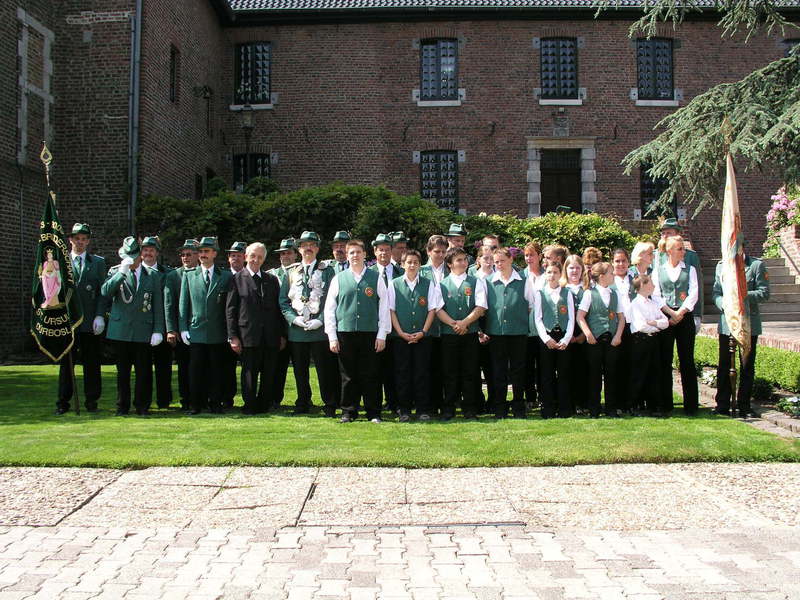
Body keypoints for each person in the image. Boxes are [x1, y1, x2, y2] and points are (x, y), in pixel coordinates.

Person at [324, 239, 391, 423]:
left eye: (358, 252)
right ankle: (348, 411)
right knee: (348, 375)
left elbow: (384, 308)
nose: (355, 255)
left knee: (371, 374)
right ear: (347, 255)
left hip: (370, 333)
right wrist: (332, 336)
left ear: (365, 255)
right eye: (351, 252)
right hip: (345, 332)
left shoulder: (376, 278)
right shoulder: (338, 279)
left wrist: (382, 335)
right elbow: (329, 309)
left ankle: (373, 412)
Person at [101, 236, 164, 416]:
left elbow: (158, 306)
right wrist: (121, 273)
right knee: (123, 372)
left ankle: (142, 406)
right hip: (121, 331)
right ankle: (122, 406)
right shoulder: (116, 271)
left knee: (144, 372)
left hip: (143, 329)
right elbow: (105, 292)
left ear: (139, 256)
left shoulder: (152, 275)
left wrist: (158, 330)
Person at [279, 231, 341, 416]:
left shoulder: (328, 271)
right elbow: (283, 301)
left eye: (312, 245)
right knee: (300, 370)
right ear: (299, 249)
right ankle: (303, 402)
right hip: (297, 332)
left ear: (317, 249)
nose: (308, 248)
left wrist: (320, 320)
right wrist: (293, 319)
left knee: (325, 370)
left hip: (319, 331)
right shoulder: (291, 272)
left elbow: (332, 299)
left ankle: (329, 404)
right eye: (304, 245)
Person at [227, 242, 286, 415]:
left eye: (260, 257)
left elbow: (278, 309)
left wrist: (282, 334)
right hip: (247, 335)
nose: (256, 259)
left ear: (264, 259)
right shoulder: (236, 279)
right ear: (246, 256)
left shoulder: (271, 280)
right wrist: (233, 336)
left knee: (269, 373)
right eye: (253, 255)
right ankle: (250, 406)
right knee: (249, 373)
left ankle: (264, 405)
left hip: (270, 335)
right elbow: (230, 310)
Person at [57, 223, 108, 414]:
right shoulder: (61, 263)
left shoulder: (98, 263)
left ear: (88, 241)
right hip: (68, 322)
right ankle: (63, 402)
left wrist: (100, 315)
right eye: (77, 238)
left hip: (89, 321)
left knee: (92, 363)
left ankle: (92, 401)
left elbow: (103, 292)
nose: (80, 242)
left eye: (84, 239)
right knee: (67, 364)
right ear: (70, 240)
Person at [712, 248, 770, 418]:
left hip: (749, 321)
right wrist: (723, 303)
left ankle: (744, 405)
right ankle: (722, 404)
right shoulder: (721, 266)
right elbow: (716, 293)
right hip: (728, 322)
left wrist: (741, 295)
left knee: (746, 365)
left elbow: (764, 293)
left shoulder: (756, 265)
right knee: (724, 364)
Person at [179, 236, 233, 415]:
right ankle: (196, 404)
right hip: (196, 331)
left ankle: (215, 403)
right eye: (201, 251)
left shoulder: (225, 276)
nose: (203, 254)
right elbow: (183, 304)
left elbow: (230, 306)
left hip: (218, 331)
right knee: (195, 371)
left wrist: (230, 331)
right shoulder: (189, 275)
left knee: (217, 370)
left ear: (214, 254)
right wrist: (183, 328)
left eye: (206, 251)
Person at [388, 249, 442, 421]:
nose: (412, 265)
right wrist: (400, 332)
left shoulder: (428, 284)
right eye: (409, 262)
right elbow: (391, 310)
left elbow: (432, 309)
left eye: (415, 262)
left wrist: (423, 332)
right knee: (402, 373)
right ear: (403, 264)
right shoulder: (394, 284)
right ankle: (404, 410)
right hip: (400, 337)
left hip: (422, 337)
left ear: (420, 265)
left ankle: (422, 409)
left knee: (422, 373)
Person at [437, 247, 487, 420]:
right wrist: (454, 324)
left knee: (470, 372)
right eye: (458, 260)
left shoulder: (476, 282)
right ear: (449, 264)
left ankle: (470, 409)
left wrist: (464, 323)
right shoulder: (442, 284)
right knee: (449, 372)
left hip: (470, 334)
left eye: (464, 259)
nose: (463, 263)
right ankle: (449, 409)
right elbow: (438, 309)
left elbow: (480, 307)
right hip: (449, 335)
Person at [485, 247, 535, 419]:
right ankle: (500, 407)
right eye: (496, 262)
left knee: (518, 371)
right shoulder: (488, 281)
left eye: (502, 261)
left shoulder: (524, 280)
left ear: (511, 260)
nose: (499, 264)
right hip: (496, 333)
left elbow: (530, 305)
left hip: (518, 333)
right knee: (498, 371)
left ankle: (519, 407)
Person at [652, 235, 699, 416]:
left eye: (683, 248)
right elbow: (656, 295)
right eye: (680, 249)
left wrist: (681, 312)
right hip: (666, 317)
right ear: (669, 250)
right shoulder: (659, 270)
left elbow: (693, 293)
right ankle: (666, 404)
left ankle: (691, 405)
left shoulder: (690, 269)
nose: (683, 252)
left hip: (684, 316)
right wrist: (670, 313)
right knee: (665, 360)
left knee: (687, 360)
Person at [576, 262, 625, 418]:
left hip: (611, 339)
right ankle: (594, 409)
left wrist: (618, 336)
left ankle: (611, 408)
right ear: (602, 276)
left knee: (612, 374)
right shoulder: (589, 294)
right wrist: (588, 334)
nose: (613, 275)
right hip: (595, 340)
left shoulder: (615, 294)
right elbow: (580, 316)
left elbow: (621, 318)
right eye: (611, 272)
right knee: (594, 375)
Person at [369, 233, 404, 413]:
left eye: (387, 249)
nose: (384, 253)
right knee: (375, 369)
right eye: (380, 250)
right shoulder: (368, 273)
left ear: (392, 251)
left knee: (395, 368)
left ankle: (395, 402)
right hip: (375, 328)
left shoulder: (401, 272)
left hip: (397, 329)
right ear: (375, 252)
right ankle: (375, 403)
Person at [535, 261, 575, 418]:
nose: (552, 275)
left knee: (564, 373)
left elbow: (571, 318)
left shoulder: (567, 293)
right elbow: (538, 318)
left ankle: (565, 409)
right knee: (547, 374)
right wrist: (546, 339)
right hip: (547, 337)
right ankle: (548, 409)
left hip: (563, 336)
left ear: (560, 274)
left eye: (555, 272)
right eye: (549, 272)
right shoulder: (540, 293)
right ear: (545, 274)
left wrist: (566, 339)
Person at [164, 239, 199, 410]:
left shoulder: (202, 273)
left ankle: (201, 399)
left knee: (201, 367)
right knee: (184, 367)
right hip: (181, 330)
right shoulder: (173, 276)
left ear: (197, 255)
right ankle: (186, 400)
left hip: (200, 329)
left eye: (189, 254)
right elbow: (169, 304)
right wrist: (171, 329)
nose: (185, 257)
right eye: (183, 255)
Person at [628, 274, 668, 415]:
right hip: (641, 340)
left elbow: (665, 322)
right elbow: (641, 326)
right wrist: (656, 326)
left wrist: (655, 323)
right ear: (643, 285)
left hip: (653, 341)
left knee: (654, 373)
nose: (654, 285)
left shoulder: (653, 304)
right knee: (639, 373)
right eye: (650, 283)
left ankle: (654, 405)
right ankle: (634, 405)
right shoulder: (635, 304)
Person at [140, 236, 173, 409]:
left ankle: (164, 401)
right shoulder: (135, 271)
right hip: (141, 327)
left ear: (157, 253)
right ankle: (144, 402)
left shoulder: (167, 273)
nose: (148, 253)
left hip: (163, 326)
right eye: (145, 250)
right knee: (143, 368)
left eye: (151, 250)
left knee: (163, 367)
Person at [656, 218, 703, 331]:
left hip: (685, 310)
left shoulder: (690, 256)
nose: (665, 236)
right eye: (663, 233)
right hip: (662, 312)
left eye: (668, 233)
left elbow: (697, 287)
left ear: (677, 234)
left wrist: (697, 314)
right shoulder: (655, 256)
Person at [420, 235, 449, 416]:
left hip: (447, 328)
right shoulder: (420, 271)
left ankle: (446, 404)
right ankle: (430, 405)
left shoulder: (452, 269)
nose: (440, 255)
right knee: (428, 369)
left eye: (443, 251)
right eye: (436, 251)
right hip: (427, 328)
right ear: (429, 251)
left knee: (446, 369)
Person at [268, 237, 297, 408]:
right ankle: (274, 399)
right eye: (282, 253)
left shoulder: (302, 272)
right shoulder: (272, 275)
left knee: (301, 368)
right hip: (280, 329)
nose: (285, 256)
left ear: (295, 255)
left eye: (288, 253)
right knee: (278, 367)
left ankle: (304, 400)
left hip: (299, 328)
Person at [470, 244, 497, 412]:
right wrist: (479, 331)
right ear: (478, 260)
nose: (489, 261)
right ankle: (477, 403)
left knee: (492, 367)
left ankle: (494, 402)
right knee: (473, 368)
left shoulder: (499, 277)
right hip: (475, 325)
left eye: (492, 258)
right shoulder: (471, 278)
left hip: (493, 326)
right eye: (485, 258)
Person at [561, 254, 588, 414]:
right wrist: (568, 335)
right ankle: (568, 404)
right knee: (566, 370)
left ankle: (583, 403)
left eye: (578, 268)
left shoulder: (587, 289)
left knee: (583, 370)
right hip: (566, 335)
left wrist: (583, 335)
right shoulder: (561, 288)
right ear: (566, 269)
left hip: (585, 334)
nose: (574, 271)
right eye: (571, 268)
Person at [222, 241, 247, 409]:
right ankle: (227, 398)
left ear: (244, 257)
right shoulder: (223, 277)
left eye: (238, 255)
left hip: (246, 330)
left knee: (249, 368)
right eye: (232, 255)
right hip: (226, 329)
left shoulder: (250, 276)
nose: (235, 258)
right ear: (228, 258)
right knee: (226, 368)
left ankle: (248, 399)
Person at [610, 248, 635, 413]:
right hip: (615, 327)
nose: (620, 264)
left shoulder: (634, 279)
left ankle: (630, 403)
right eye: (617, 261)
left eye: (623, 261)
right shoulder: (608, 280)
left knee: (630, 365)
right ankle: (616, 403)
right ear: (612, 262)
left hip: (632, 326)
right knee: (615, 366)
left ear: (628, 262)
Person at [521, 242, 545, 411]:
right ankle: (530, 397)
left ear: (539, 256)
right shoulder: (520, 275)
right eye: (526, 255)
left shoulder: (547, 274)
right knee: (527, 364)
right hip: (526, 327)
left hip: (544, 327)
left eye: (532, 255)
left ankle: (544, 396)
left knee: (543, 365)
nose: (529, 258)